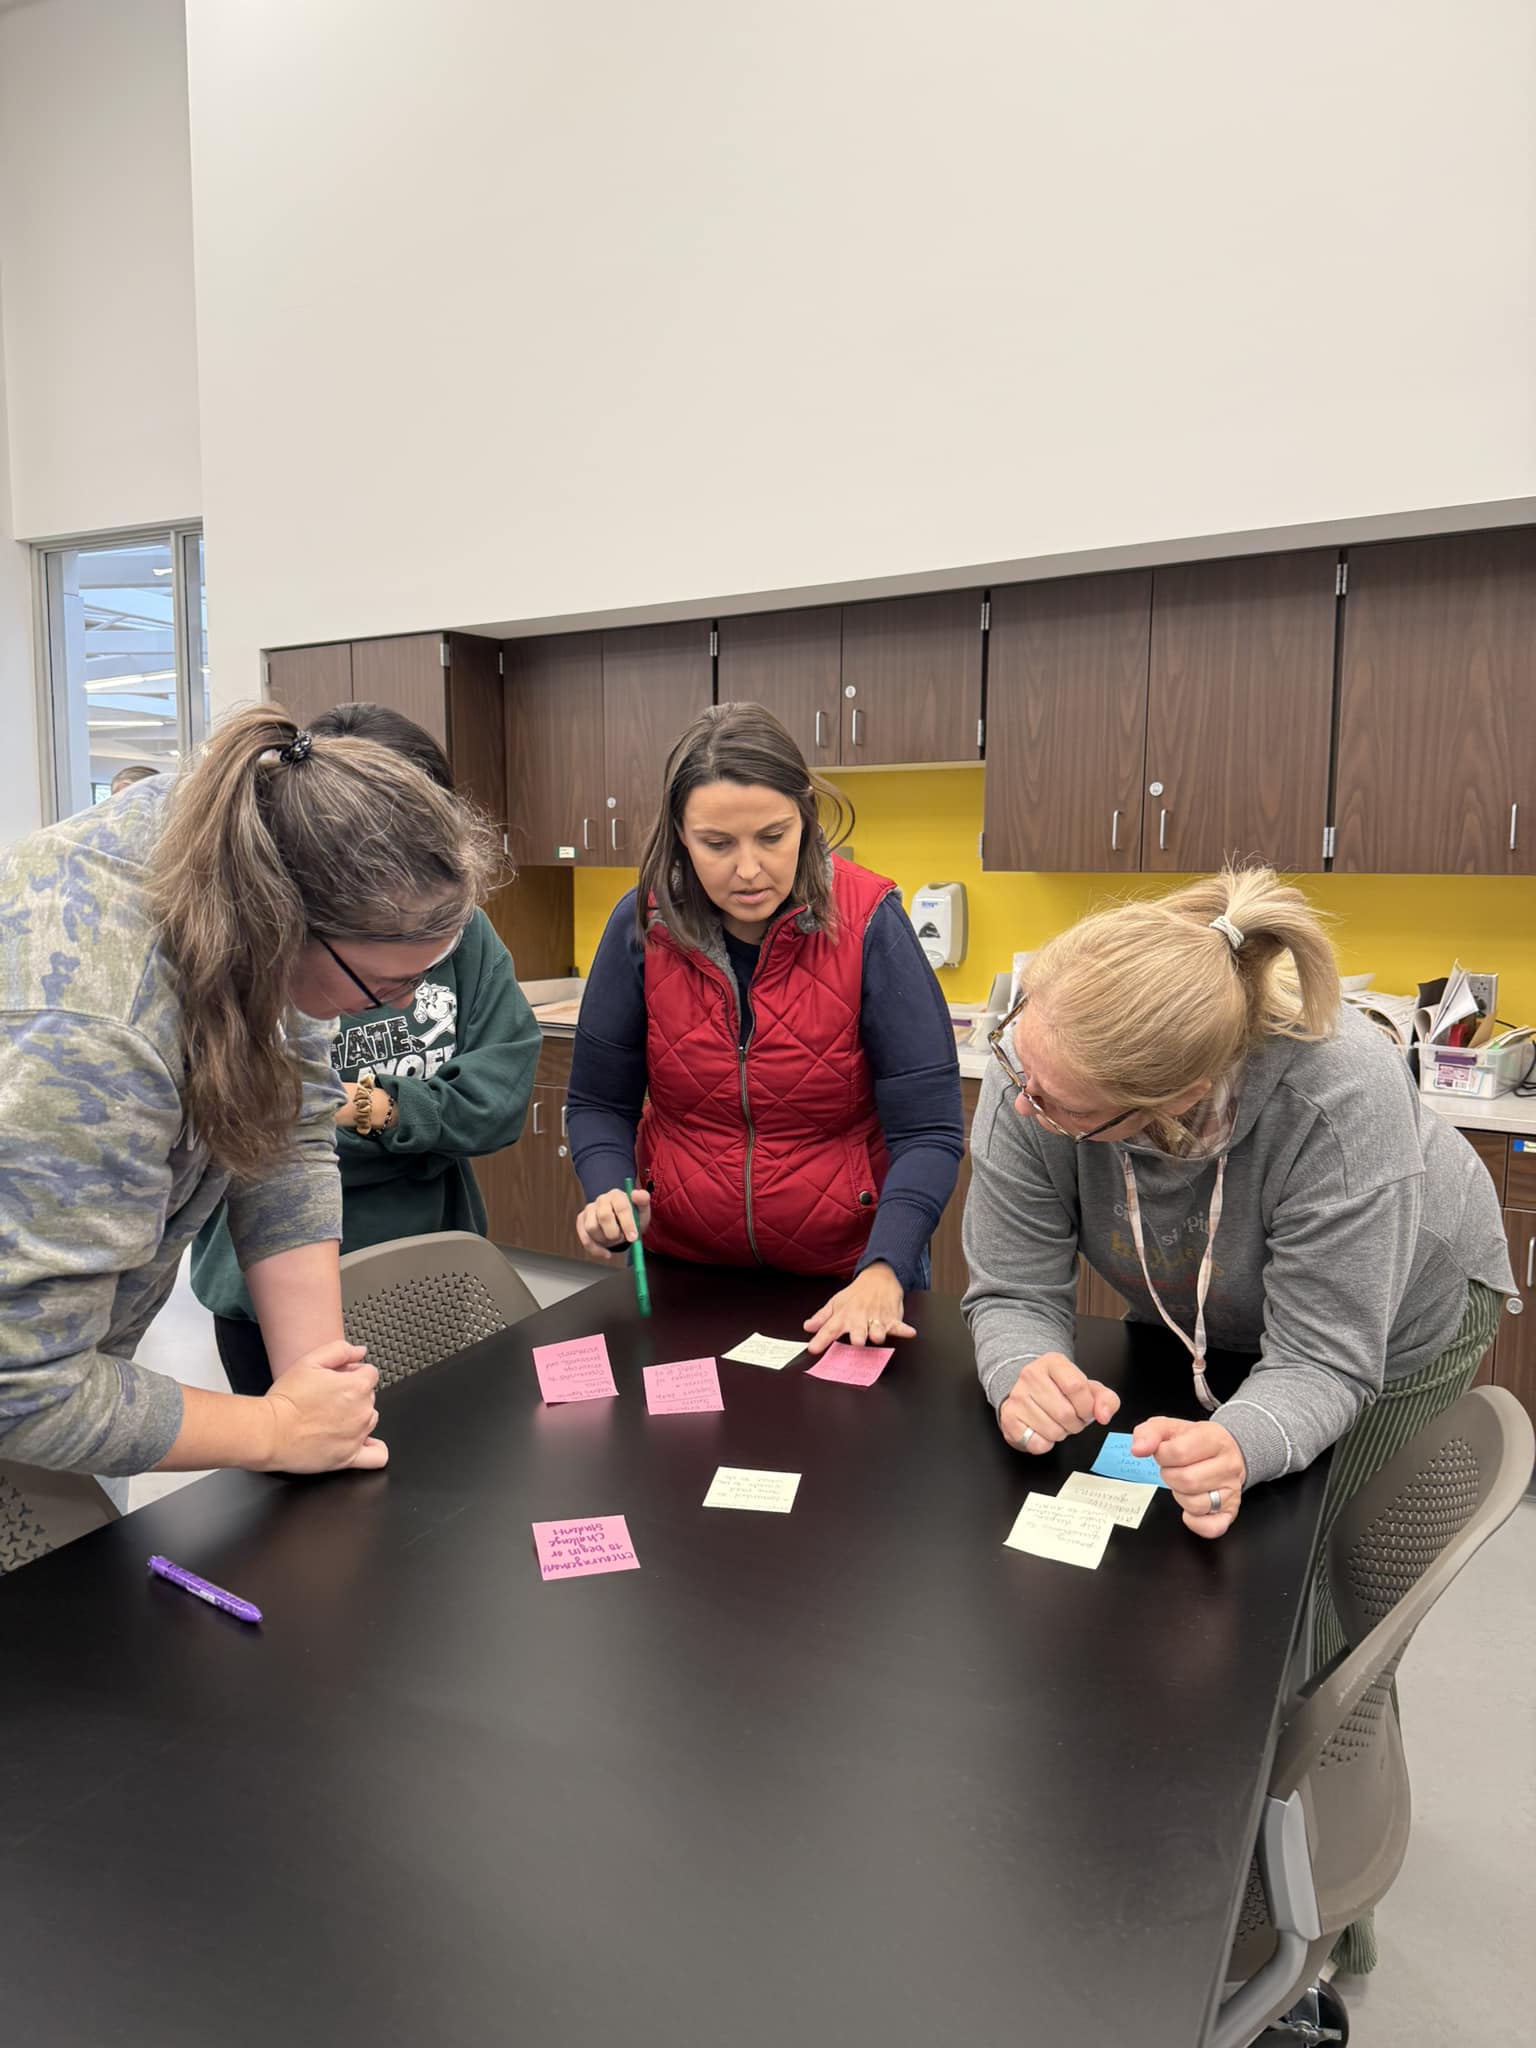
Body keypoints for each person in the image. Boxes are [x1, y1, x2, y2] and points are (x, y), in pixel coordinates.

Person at [962, 865, 1514, 1969]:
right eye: (1019, 1067)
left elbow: (1323, 1357)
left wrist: (1242, 1440)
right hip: (1211, 1303)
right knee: (1191, 1577)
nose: (1021, 1100)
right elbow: (1011, 1288)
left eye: (1056, 1106)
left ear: (1160, 1108)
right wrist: (1022, 1365)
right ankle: (1179, 1815)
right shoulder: (1042, 1059)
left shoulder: (1336, 1098)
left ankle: (1313, 1907)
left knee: (1308, 1594)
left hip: (1399, 1323)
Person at [0, 705, 499, 1482]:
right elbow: (21, 1384)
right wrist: (273, 1427)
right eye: (389, 985)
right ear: (289, 923)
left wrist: (321, 1396)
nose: (403, 1007)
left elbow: (290, 1132)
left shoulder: (251, 864)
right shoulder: (96, 1028)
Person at [567, 701, 964, 1353]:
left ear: (805, 817)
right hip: (687, 1275)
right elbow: (597, 1102)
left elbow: (928, 1128)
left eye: (772, 837)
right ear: (679, 834)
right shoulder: (642, 927)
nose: (748, 870)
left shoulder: (870, 923)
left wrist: (887, 1265)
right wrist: (610, 1191)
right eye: (716, 844)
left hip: (850, 1280)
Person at [191, 702, 540, 1391]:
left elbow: (496, 1103)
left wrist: (369, 1107)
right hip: (270, 1279)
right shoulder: (262, 955)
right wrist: (397, 1123)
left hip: (431, 1259)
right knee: (306, 1479)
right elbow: (254, 1127)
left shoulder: (459, 932)